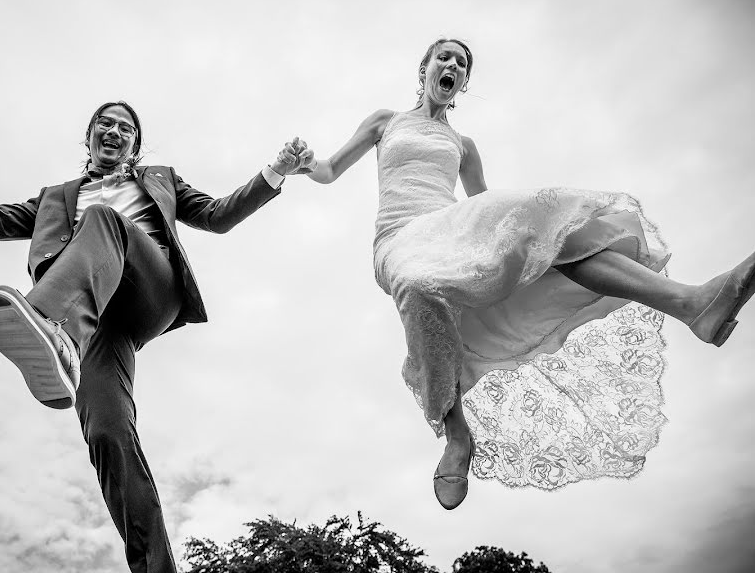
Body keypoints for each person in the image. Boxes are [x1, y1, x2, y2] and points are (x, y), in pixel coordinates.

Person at [288, 38, 754, 509]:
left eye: (462, 63)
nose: (452, 65)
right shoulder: (385, 122)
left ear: (463, 83)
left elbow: (483, 201)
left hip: (447, 224)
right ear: (425, 67)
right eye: (444, 57)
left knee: (540, 234)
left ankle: (690, 303)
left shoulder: (463, 146)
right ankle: (456, 434)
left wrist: (521, 242)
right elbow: (328, 169)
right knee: (418, 285)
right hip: (399, 238)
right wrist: (306, 162)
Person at [0, 102, 309, 573]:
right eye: (105, 124)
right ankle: (155, 567)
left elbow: (217, 215)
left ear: (135, 144)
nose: (114, 131)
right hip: (95, 322)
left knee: (103, 221)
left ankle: (53, 328)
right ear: (89, 137)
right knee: (108, 435)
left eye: (125, 128)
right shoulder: (55, 197)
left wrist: (275, 171)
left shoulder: (160, 180)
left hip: (148, 290)